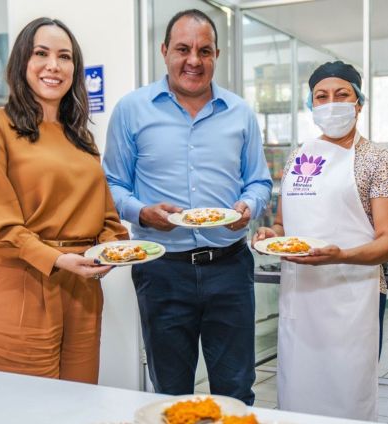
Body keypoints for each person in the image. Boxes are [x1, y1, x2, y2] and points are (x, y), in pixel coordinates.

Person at [103, 9, 271, 404]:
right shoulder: (132, 109)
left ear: (216, 55)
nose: (194, 60)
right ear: (164, 51)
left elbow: (259, 181)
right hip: (162, 271)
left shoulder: (240, 113)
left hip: (229, 268)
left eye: (204, 51)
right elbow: (111, 184)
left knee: (235, 390)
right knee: (170, 392)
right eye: (183, 49)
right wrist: (141, 213)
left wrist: (248, 206)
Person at [0, 17, 128, 383]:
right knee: (29, 405)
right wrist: (56, 258)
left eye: (64, 57)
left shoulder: (81, 138)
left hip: (83, 288)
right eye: (41, 53)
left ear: (74, 68)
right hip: (23, 282)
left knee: (80, 401)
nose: (53, 65)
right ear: (22, 61)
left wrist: (111, 249)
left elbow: (106, 217)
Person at [252, 61, 388, 420]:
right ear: (311, 104)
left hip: (353, 297)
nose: (331, 103)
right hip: (301, 297)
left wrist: (340, 255)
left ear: (358, 103)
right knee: (298, 391)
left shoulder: (377, 161)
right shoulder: (298, 156)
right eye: (321, 96)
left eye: (342, 94)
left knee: (348, 394)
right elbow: (283, 224)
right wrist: (272, 235)